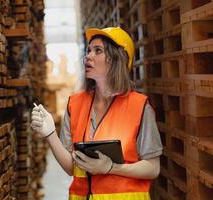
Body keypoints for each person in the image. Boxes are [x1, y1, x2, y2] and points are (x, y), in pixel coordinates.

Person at [31, 27, 163, 200]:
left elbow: (153, 168)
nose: (88, 56)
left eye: (98, 51)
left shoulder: (139, 106)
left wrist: (111, 168)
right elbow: (71, 168)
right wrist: (50, 134)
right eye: (88, 50)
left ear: (117, 59)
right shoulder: (76, 104)